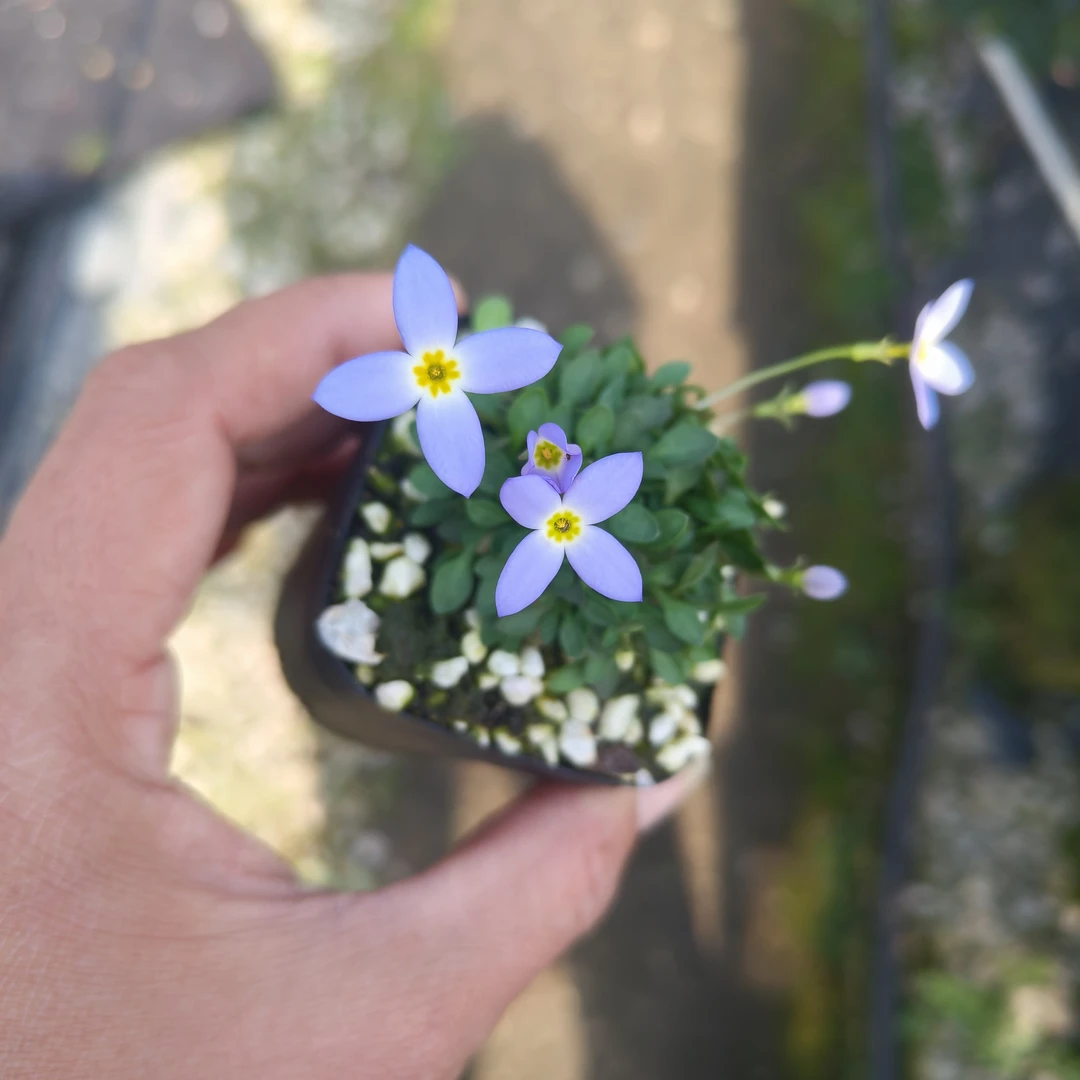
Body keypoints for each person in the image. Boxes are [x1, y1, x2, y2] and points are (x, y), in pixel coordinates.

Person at [0, 272, 708, 1078]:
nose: (438, 373)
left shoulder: (563, 508)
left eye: (442, 368)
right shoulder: (459, 434)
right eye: (434, 367)